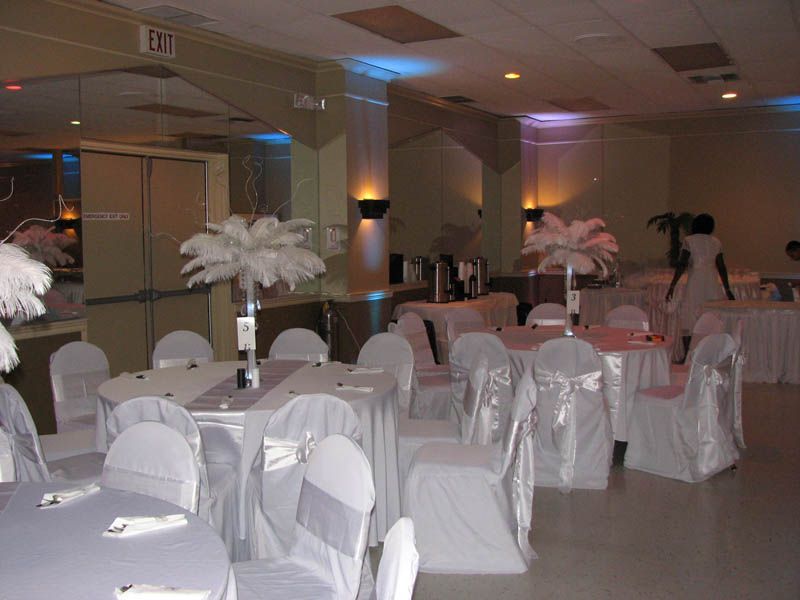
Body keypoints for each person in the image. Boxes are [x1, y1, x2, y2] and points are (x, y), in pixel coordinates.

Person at [665, 213, 734, 352]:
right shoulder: (716, 242)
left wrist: (672, 285)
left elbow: (682, 265)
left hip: (695, 282)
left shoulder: (689, 240)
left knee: (690, 317)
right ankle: (711, 351)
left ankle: (688, 353)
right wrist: (727, 289)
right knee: (712, 316)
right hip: (711, 282)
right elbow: (721, 267)